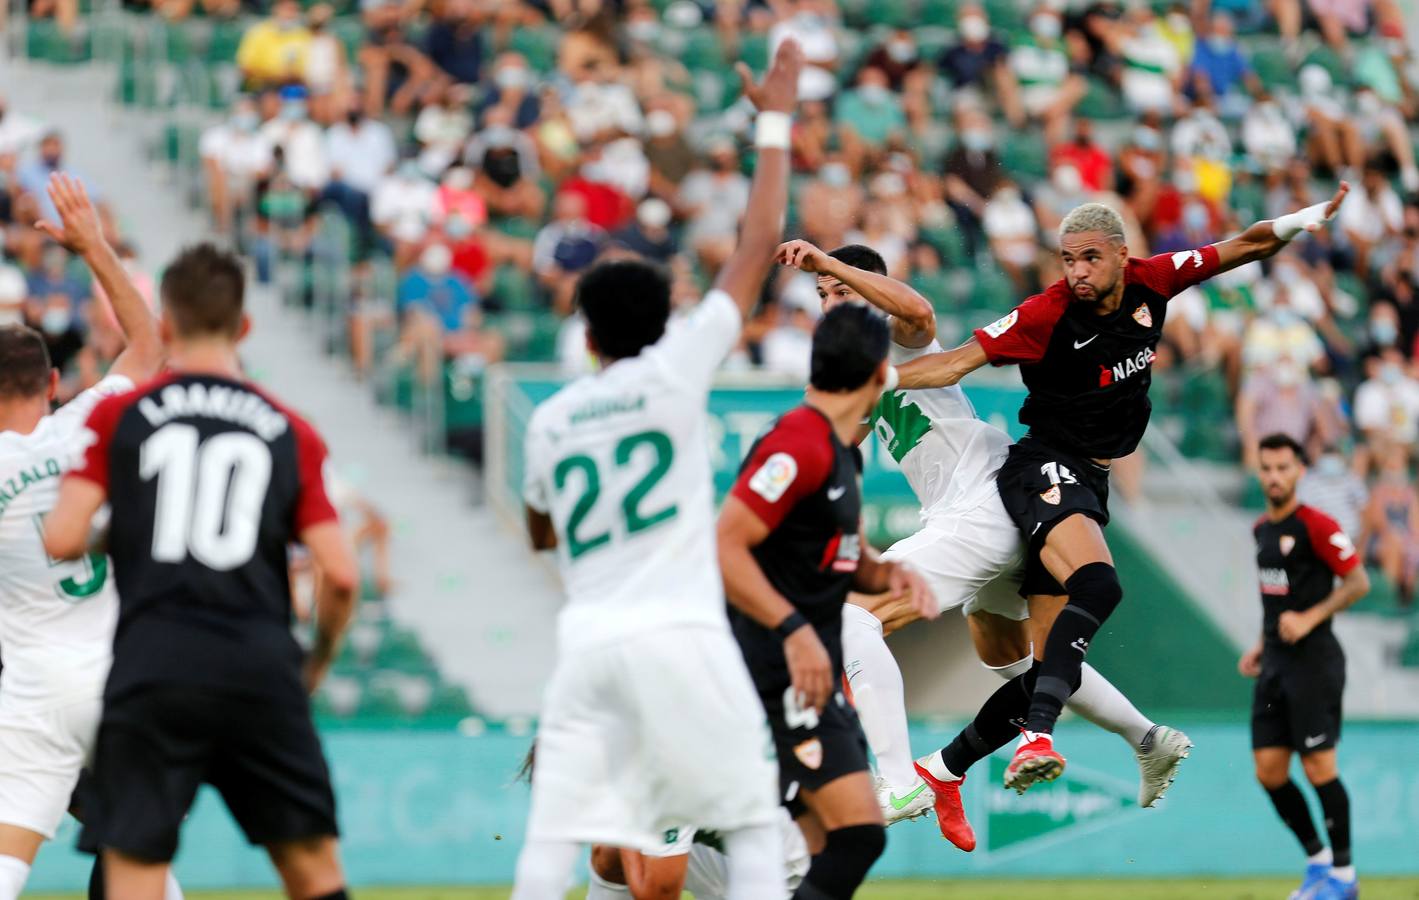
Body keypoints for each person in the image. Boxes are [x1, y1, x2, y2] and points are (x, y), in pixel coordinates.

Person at [893, 185, 1351, 796]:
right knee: (1099, 583)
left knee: (1055, 663)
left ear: (1120, 255)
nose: (1078, 272)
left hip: (1091, 478)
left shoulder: (1153, 281)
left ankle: (941, 769)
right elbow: (953, 363)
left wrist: (1308, 217)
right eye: (1067, 259)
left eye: (1090, 258)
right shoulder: (1045, 313)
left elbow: (1246, 245)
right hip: (1044, 466)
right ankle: (1036, 737)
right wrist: (873, 380)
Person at [508, 41, 805, 900]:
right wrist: (773, 118)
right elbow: (755, 245)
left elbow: (539, 530)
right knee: (742, 835)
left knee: (563, 854)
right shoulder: (677, 372)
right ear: (662, 320)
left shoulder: (554, 418)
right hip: (675, 642)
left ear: (588, 337)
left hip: (590, 643)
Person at [777, 241, 1190, 844]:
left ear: (869, 291)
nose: (831, 304)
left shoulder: (902, 335)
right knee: (1014, 658)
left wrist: (830, 265)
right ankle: (1148, 738)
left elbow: (917, 309)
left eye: (842, 292)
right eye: (822, 298)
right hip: (983, 511)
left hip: (982, 508)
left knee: (847, 618)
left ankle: (898, 779)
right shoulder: (858, 374)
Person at [42, 243, 358, 900]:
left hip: (152, 666)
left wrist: (132, 529)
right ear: (243, 327)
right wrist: (316, 662)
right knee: (312, 873)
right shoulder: (289, 429)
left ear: (167, 327)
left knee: (134, 873)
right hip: (258, 665)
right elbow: (341, 573)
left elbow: (63, 536)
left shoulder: (117, 415)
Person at [718, 302, 935, 900]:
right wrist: (792, 630)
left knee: (827, 847)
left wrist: (890, 575)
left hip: (811, 677)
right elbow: (726, 545)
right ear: (876, 371)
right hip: (775, 670)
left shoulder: (843, 451)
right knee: (855, 836)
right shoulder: (797, 444)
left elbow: (847, 560)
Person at [0, 176, 176, 900]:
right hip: (120, 676)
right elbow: (147, 345)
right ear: (52, 384)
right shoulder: (89, 425)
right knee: (139, 861)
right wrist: (94, 247)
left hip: (35, 686)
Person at [1241, 433, 1367, 900]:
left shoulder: (1316, 525)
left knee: (1319, 768)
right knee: (1270, 771)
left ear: (1299, 472)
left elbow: (1358, 581)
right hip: (1275, 663)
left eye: (1283, 468)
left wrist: (1311, 618)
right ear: (1260, 472)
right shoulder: (1260, 530)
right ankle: (1317, 864)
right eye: (1267, 468)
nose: (1274, 477)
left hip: (1315, 664)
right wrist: (1261, 643)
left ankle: (1345, 876)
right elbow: (1273, 599)